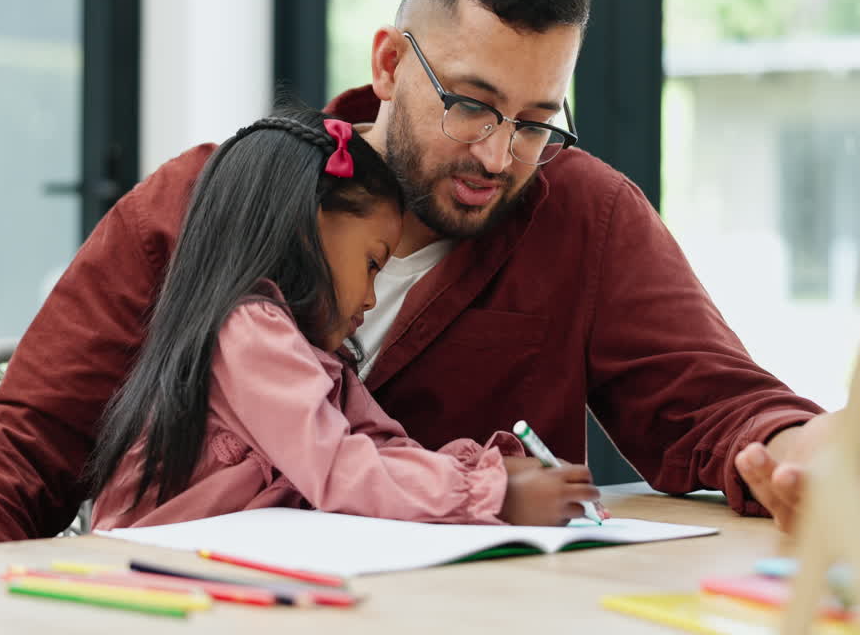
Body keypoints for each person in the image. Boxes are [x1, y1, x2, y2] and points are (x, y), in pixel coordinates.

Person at [0, 0, 860, 549]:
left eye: (534, 119)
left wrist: (790, 444)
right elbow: (31, 439)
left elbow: (715, 405)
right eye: (470, 102)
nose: (498, 153)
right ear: (389, 62)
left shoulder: (584, 216)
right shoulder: (205, 203)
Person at [85, 108, 599, 529]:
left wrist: (494, 469)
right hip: (148, 590)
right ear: (306, 230)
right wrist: (493, 495)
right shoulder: (249, 332)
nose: (372, 299)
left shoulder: (324, 363)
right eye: (373, 263)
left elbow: (384, 448)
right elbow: (337, 466)